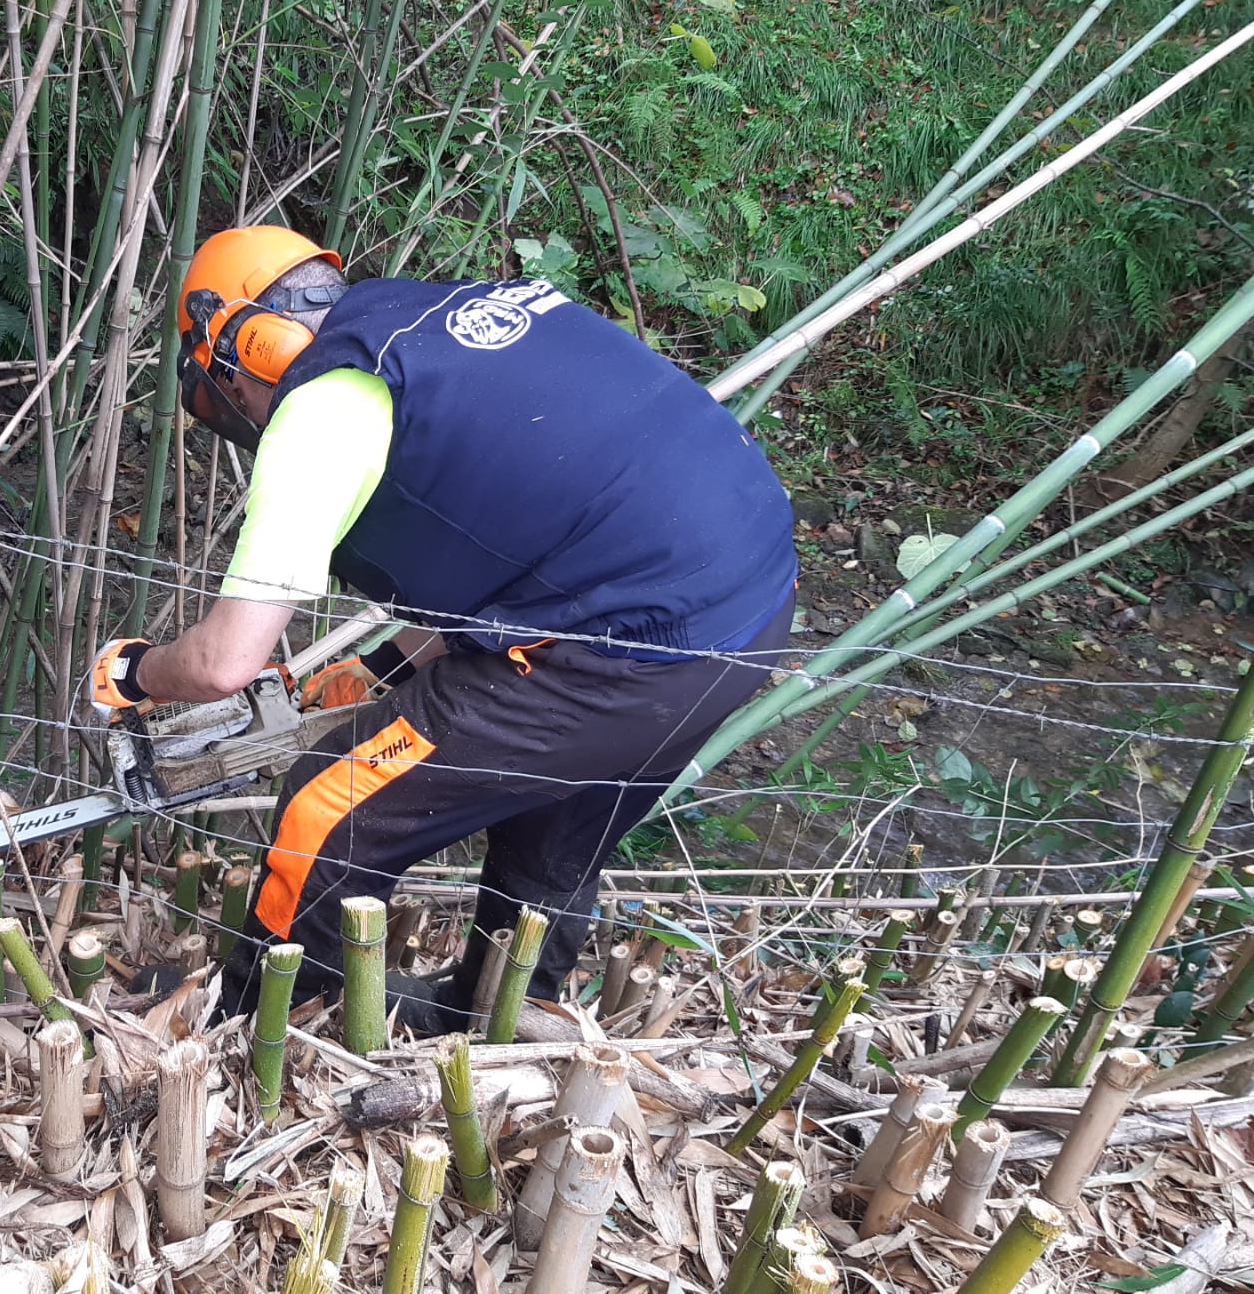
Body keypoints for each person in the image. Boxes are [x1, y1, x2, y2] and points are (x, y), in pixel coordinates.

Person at [88, 226, 797, 1030]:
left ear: (249, 344)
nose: (242, 413)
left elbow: (225, 663)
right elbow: (520, 533)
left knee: (330, 810)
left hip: (625, 645)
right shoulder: (439, 322)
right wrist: (388, 666)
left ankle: (275, 1027)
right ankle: (500, 1021)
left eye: (230, 394)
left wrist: (139, 672)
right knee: (553, 829)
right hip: (744, 611)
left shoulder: (325, 405)